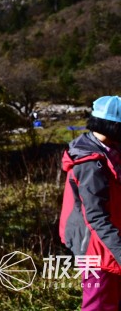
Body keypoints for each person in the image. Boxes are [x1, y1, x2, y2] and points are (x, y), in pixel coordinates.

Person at [60, 95, 121, 311]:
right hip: (95, 250)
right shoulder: (90, 164)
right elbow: (96, 217)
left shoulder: (108, 150)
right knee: (99, 305)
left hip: (109, 245)